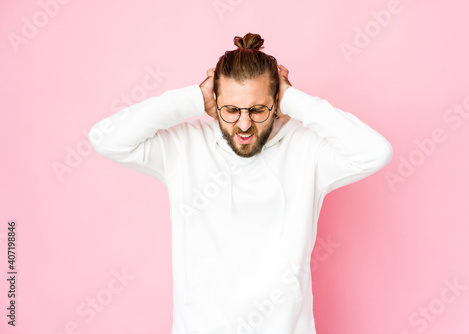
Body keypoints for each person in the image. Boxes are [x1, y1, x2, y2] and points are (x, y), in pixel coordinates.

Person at [89, 32, 393, 334]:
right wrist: (193, 97)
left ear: (276, 103)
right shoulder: (182, 147)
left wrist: (295, 99)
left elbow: (374, 152)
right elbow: (105, 139)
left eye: (258, 110)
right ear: (215, 101)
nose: (244, 124)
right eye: (232, 110)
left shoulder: (307, 150)